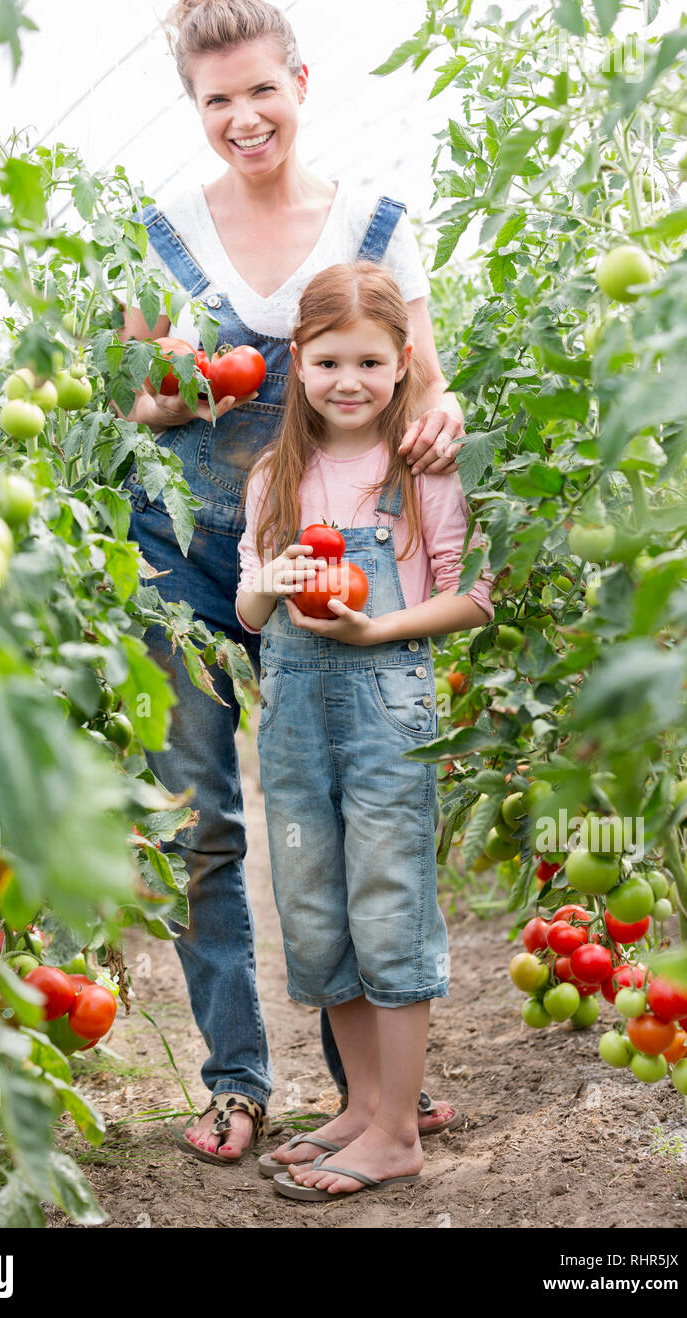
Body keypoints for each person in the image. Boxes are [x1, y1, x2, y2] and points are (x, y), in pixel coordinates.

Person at [122, 0, 467, 1164]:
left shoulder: (371, 220)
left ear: (300, 86)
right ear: (196, 107)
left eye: (262, 89)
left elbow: (426, 377)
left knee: (335, 804)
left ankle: (366, 1095)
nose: (243, 116)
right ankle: (233, 1078)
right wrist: (179, 388)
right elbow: (137, 400)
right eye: (218, 99)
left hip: (325, 555)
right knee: (203, 821)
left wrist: (443, 415)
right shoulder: (166, 225)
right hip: (188, 553)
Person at [236, 261, 493, 1197]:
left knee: (387, 903)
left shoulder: (423, 467)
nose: (349, 381)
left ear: (403, 365)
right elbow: (250, 610)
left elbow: (475, 598)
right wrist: (278, 573)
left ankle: (397, 1130)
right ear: (298, 362)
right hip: (296, 715)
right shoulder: (277, 471)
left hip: (389, 705)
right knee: (315, 910)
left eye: (372, 364)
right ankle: (360, 1108)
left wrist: (375, 625)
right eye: (329, 361)